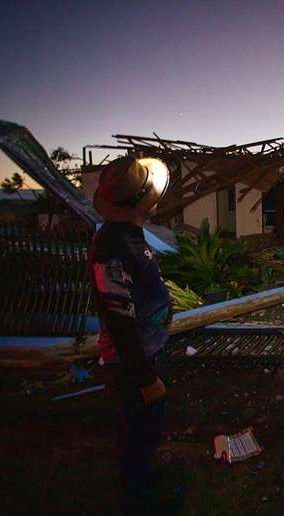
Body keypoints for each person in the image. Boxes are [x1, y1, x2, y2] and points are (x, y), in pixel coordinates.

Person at [88, 155, 172, 514]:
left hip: (147, 351)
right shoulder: (111, 249)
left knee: (148, 430)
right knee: (136, 434)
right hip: (130, 365)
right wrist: (146, 378)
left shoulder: (130, 234)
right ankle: (136, 500)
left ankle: (143, 481)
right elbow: (119, 322)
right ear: (138, 203)